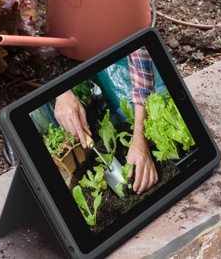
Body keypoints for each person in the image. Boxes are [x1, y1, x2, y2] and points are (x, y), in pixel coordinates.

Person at [54, 47, 158, 194]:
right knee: (123, 113)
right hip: (105, 73)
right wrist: (61, 91)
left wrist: (140, 140)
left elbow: (140, 60)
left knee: (153, 107)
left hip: (143, 69)